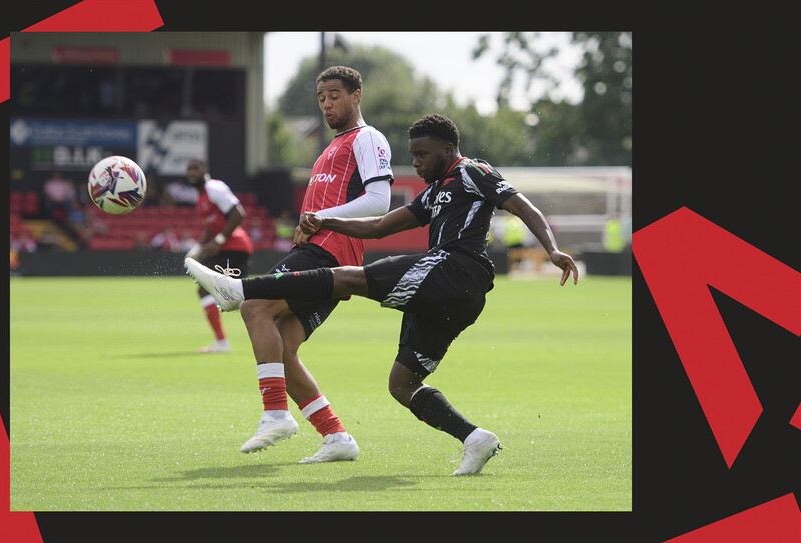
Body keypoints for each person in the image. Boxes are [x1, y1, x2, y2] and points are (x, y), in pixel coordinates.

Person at [185, 113, 579, 475]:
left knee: (346, 278)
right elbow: (379, 227)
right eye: (414, 155)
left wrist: (552, 248)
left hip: (456, 270)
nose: (417, 162)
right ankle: (475, 439)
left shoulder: (472, 170)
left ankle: (240, 288)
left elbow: (523, 206)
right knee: (402, 385)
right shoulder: (434, 191)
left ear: (447, 148)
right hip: (453, 297)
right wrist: (326, 219)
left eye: (423, 155)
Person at [189, 66, 393, 464]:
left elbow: (379, 202)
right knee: (282, 346)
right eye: (321, 98)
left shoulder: (366, 138)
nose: (327, 103)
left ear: (356, 95)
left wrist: (323, 218)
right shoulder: (330, 149)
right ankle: (336, 437)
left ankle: (276, 412)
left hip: (331, 252)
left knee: (253, 306)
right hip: (325, 251)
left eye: (335, 94)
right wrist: (310, 222)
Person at [182, 158, 254, 354]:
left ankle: (222, 342)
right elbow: (210, 228)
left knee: (222, 293)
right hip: (225, 249)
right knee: (236, 295)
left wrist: (219, 240)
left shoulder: (214, 188)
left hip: (235, 248)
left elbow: (238, 213)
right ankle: (223, 341)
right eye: (189, 169)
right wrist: (197, 248)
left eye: (195, 168)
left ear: (205, 169)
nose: (191, 172)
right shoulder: (200, 198)